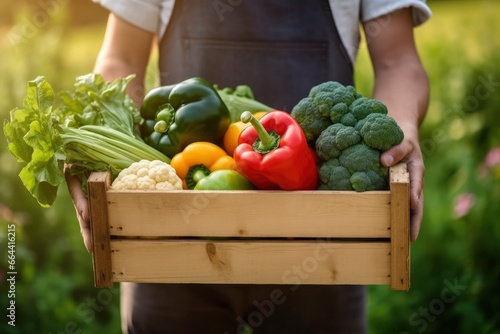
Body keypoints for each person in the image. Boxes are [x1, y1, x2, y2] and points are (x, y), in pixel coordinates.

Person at [67, 1, 431, 333]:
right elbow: (121, 59)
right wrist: (100, 140)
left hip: (321, 245)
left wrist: (401, 131)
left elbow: (398, 62)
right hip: (172, 239)